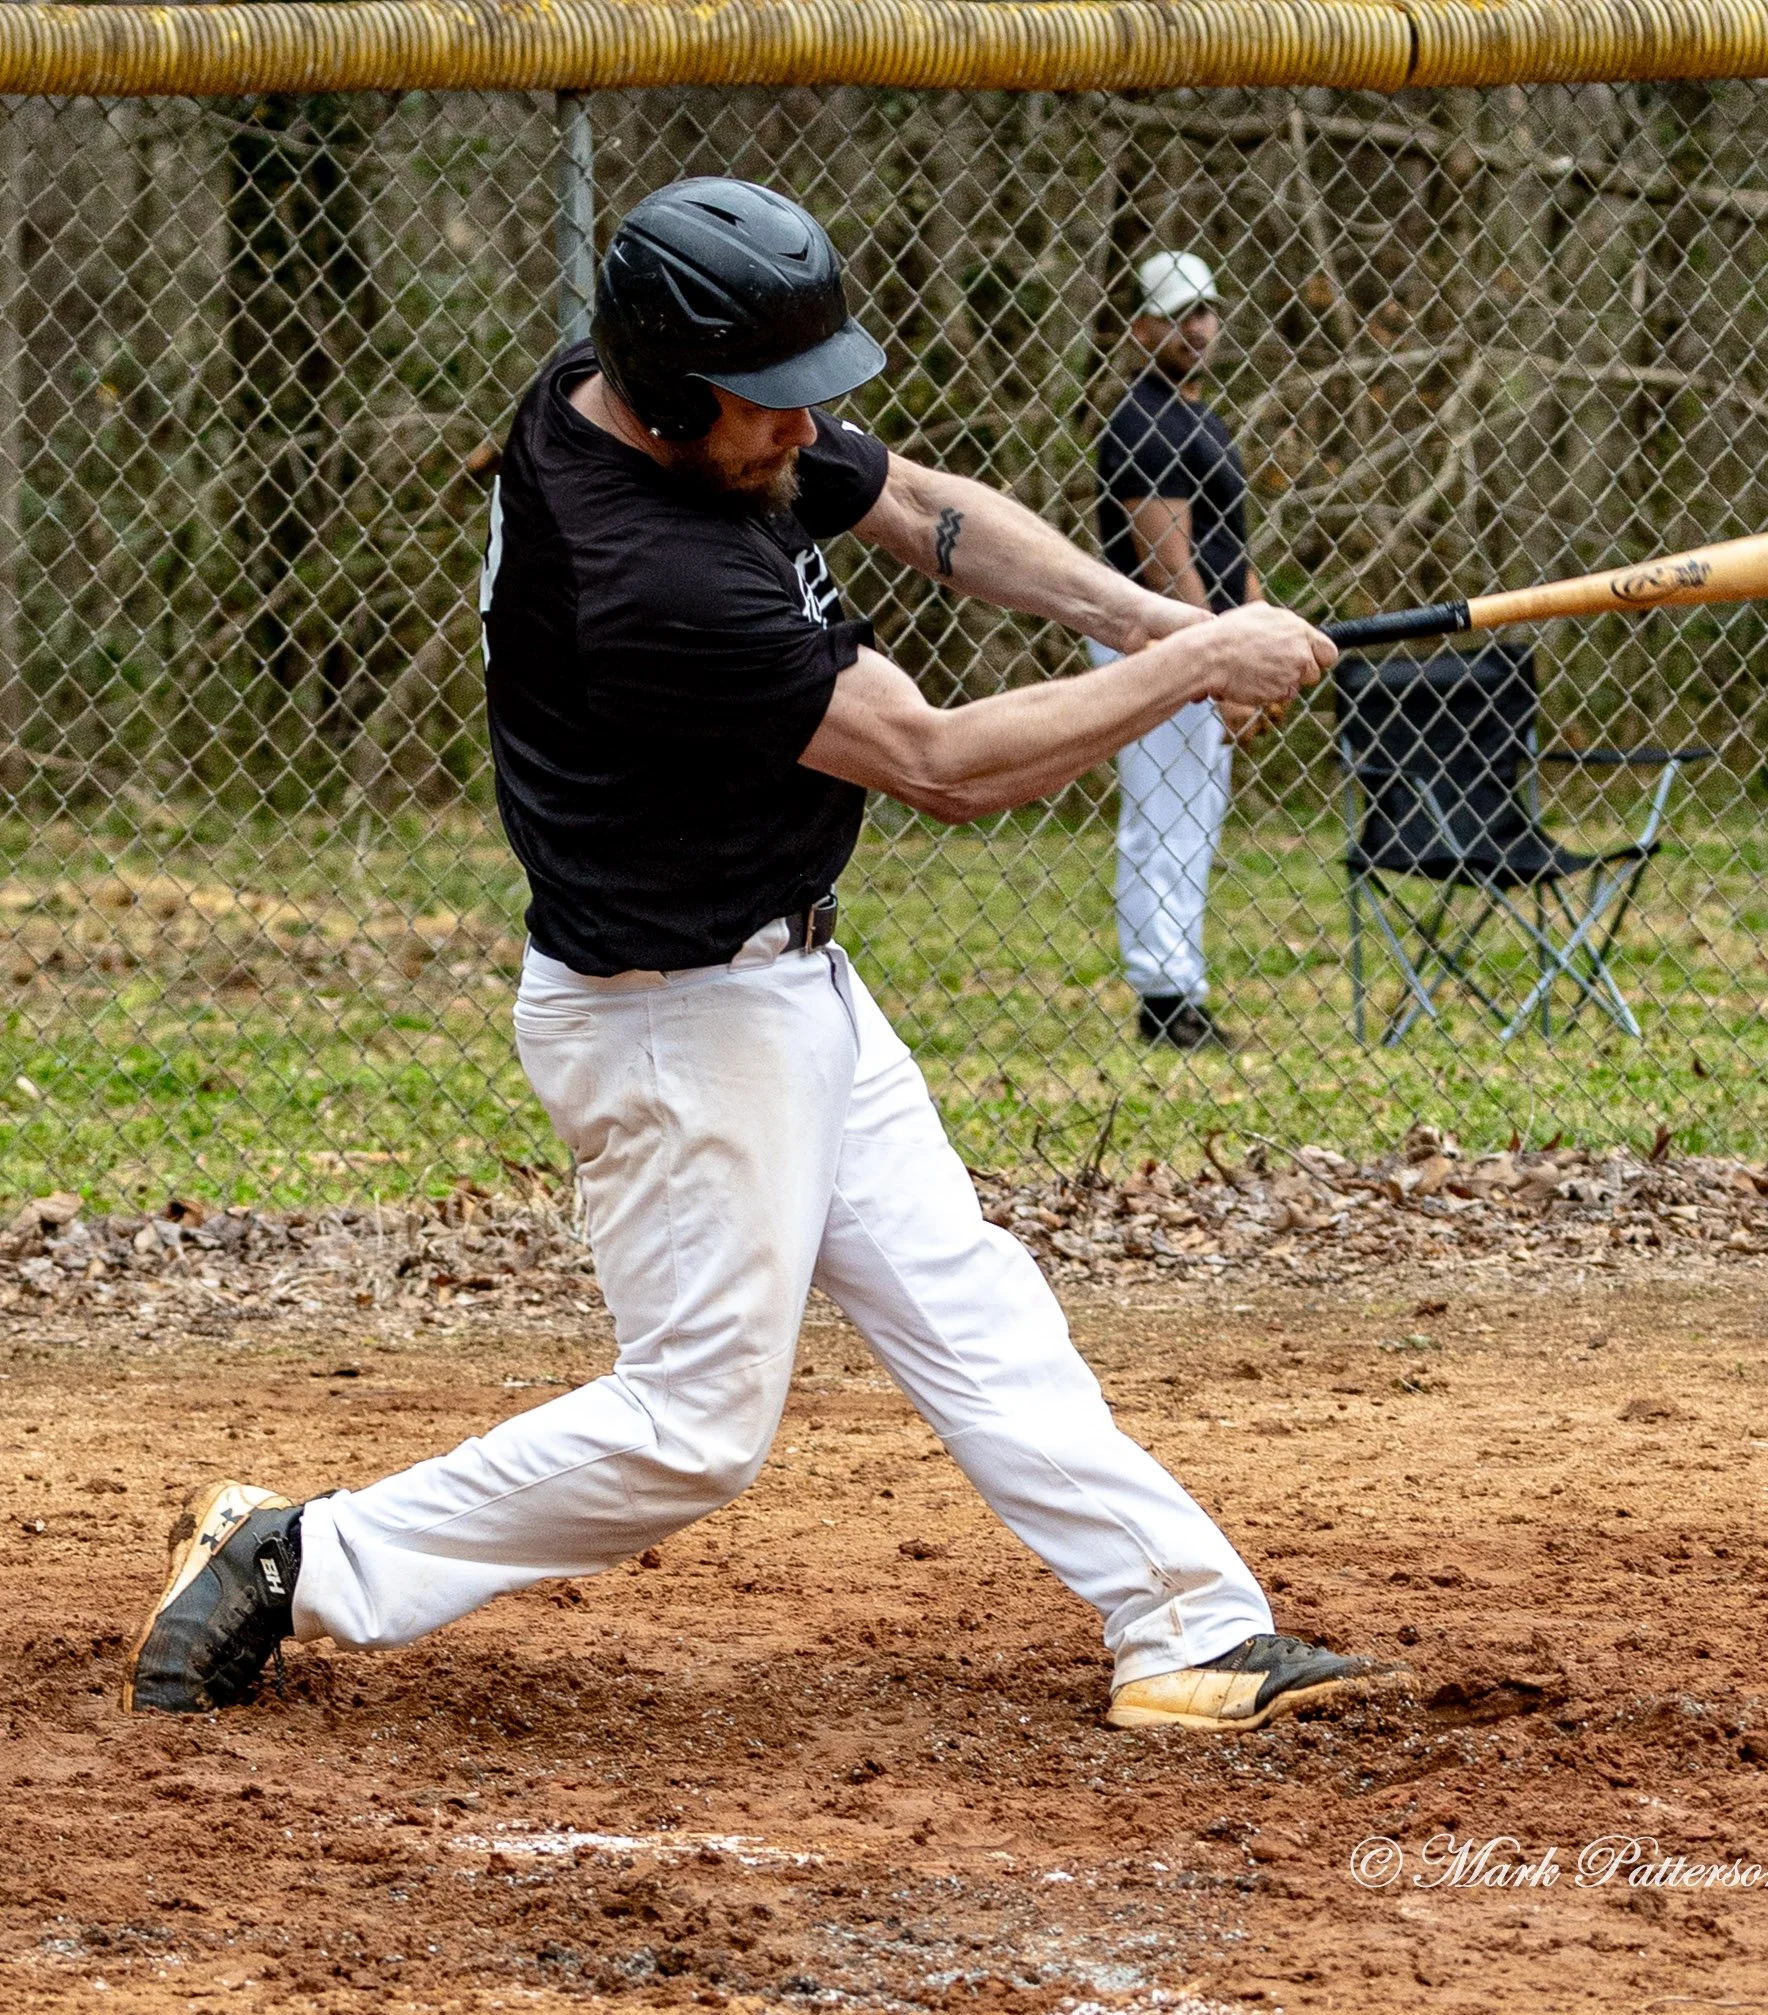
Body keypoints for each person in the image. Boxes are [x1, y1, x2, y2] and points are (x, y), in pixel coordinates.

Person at [121, 179, 1360, 1736]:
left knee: (970, 1306)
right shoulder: (654, 579)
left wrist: (1139, 621)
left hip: (787, 981)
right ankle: (302, 1557)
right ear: (665, 390)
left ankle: (1190, 1626)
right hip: (676, 1021)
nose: (802, 434)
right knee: (692, 1434)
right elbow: (941, 766)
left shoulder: (637, 396)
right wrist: (1192, 663)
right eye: (770, 410)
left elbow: (917, 511)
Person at [1094, 250, 1263, 1050]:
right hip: (1158, 642)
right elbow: (1168, 563)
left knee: (1194, 817)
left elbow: (1234, 544)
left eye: (1205, 309)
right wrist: (1222, 659)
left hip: (1212, 640)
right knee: (1162, 817)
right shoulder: (1140, 422)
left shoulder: (1202, 417)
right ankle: (1162, 998)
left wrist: (1258, 635)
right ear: (1141, 328)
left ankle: (1182, 984)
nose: (1196, 326)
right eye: (1177, 313)